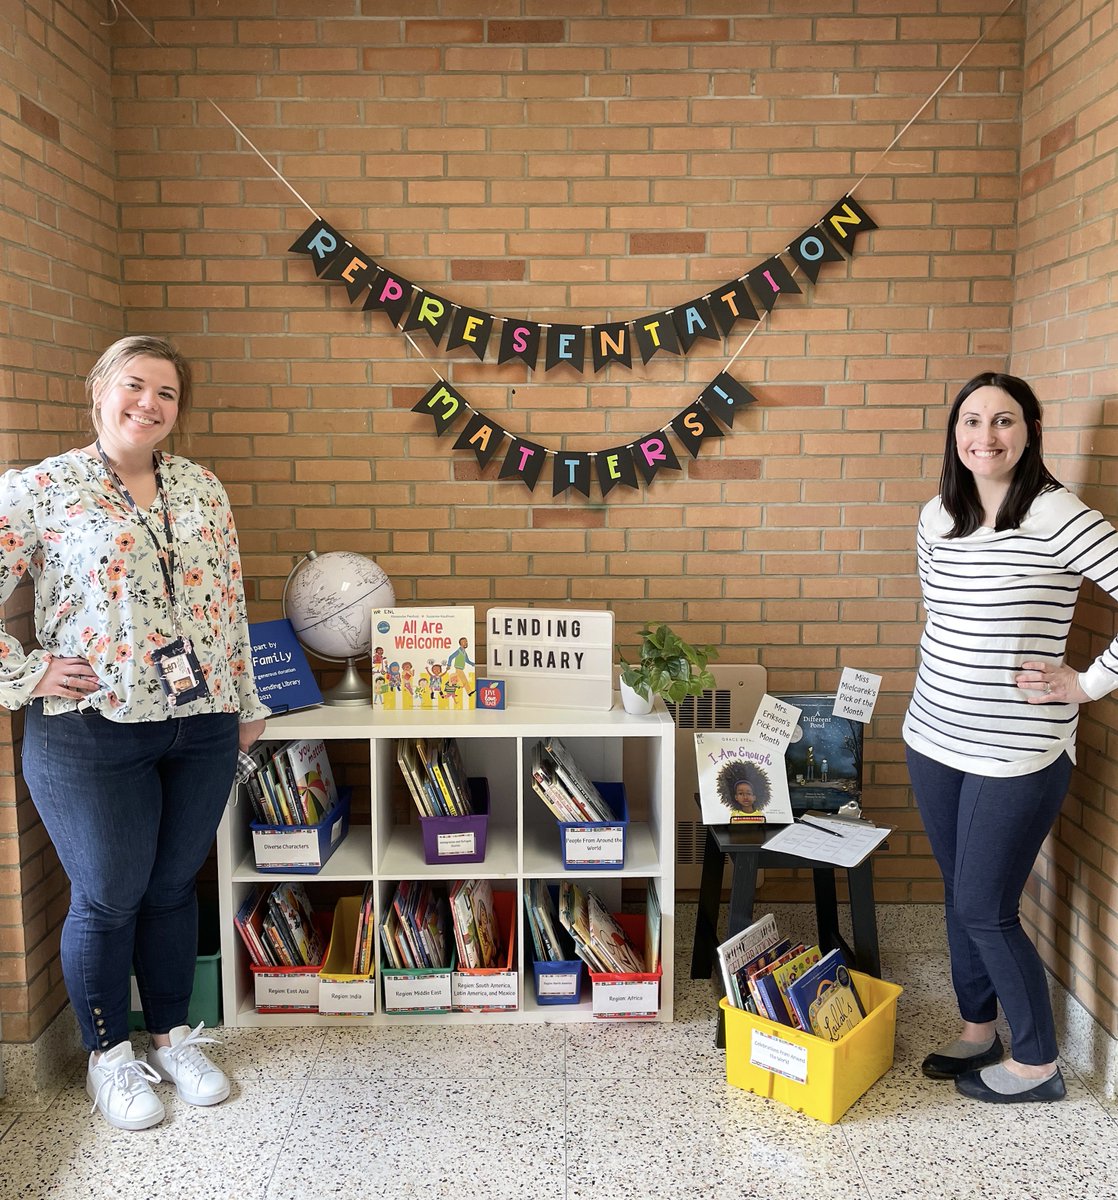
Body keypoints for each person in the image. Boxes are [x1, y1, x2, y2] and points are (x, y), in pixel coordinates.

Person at [0, 336, 271, 1130]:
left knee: (169, 887)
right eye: (135, 386)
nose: (149, 404)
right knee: (109, 895)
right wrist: (26, 673)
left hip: (203, 722)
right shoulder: (43, 488)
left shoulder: (199, 486)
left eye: (167, 394)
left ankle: (173, 1037)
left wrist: (246, 699)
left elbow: (230, 599)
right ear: (99, 392)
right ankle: (109, 1057)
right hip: (92, 729)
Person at [903, 371, 1118, 1104]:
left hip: (1017, 751)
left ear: (1029, 432)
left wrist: (1088, 683)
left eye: (1004, 421)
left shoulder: (1058, 515)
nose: (984, 436)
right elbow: (939, 614)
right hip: (932, 735)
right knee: (960, 893)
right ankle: (978, 1027)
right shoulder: (938, 515)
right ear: (953, 432)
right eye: (971, 420)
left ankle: (1037, 1064)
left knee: (985, 908)